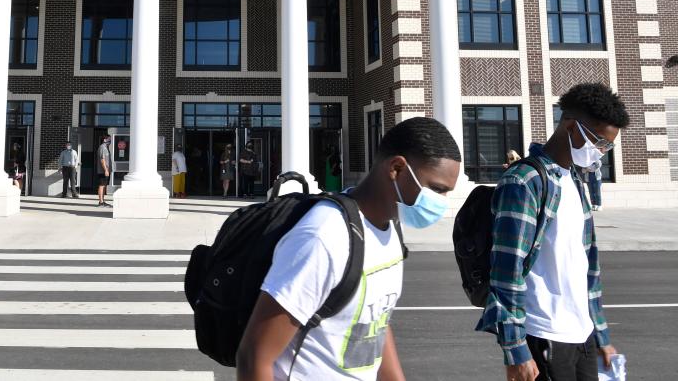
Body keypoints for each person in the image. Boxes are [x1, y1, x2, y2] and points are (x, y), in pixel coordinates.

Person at [236, 117, 461, 381]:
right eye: (436, 189)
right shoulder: (324, 235)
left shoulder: (389, 228)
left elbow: (375, 321)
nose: (442, 202)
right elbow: (254, 357)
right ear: (397, 168)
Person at [477, 83, 627, 381]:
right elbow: (507, 272)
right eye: (599, 142)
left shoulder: (574, 181)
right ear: (572, 128)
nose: (601, 152)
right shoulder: (524, 182)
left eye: (607, 147)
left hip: (582, 332)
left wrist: (601, 335)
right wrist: (516, 350)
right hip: (542, 333)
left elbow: (587, 267)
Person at [96, 136, 112, 207]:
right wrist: (105, 170)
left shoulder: (106, 147)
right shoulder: (102, 147)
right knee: (102, 185)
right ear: (105, 139)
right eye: (109, 139)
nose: (110, 140)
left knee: (104, 185)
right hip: (103, 171)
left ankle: (103, 201)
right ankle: (101, 202)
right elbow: (102, 160)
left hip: (106, 170)